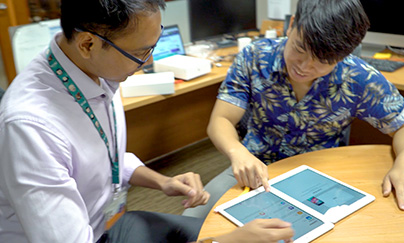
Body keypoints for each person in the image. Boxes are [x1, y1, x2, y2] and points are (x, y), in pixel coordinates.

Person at [0, 0, 294, 242]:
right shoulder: (31, 126)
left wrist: (162, 182)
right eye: (140, 53)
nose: (146, 63)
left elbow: (101, 154)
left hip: (108, 223)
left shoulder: (89, 67)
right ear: (88, 44)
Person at [183, 0, 404, 219]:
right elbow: (221, 120)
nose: (304, 66)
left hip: (319, 174)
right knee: (191, 219)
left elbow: (401, 124)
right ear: (291, 25)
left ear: (344, 55)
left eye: (322, 61)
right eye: (299, 48)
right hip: (254, 166)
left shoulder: (360, 78)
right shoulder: (255, 56)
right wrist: (237, 152)